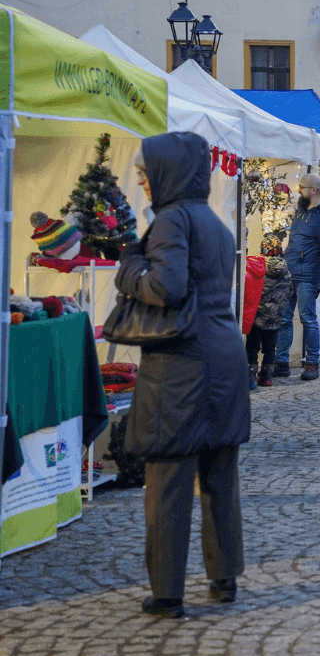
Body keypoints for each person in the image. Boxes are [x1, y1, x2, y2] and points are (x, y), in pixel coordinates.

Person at [120, 132, 250, 619]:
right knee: (220, 478)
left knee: (168, 482)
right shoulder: (214, 222)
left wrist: (128, 269)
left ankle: (168, 592)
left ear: (166, 174)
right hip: (223, 357)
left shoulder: (171, 219)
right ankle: (224, 579)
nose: (142, 181)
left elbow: (166, 286)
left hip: (181, 366)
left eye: (145, 172)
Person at [274, 171, 320, 382]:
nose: (298, 191)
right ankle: (281, 362)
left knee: (308, 319)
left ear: (313, 191)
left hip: (307, 275)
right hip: (290, 272)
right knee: (284, 319)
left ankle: (312, 362)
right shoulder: (301, 213)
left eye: (301, 188)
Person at [246, 233, 292, 388]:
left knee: (252, 346)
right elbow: (289, 292)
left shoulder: (257, 267)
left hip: (257, 316)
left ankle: (251, 375)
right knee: (270, 348)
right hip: (274, 317)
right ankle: (267, 377)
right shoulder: (286, 271)